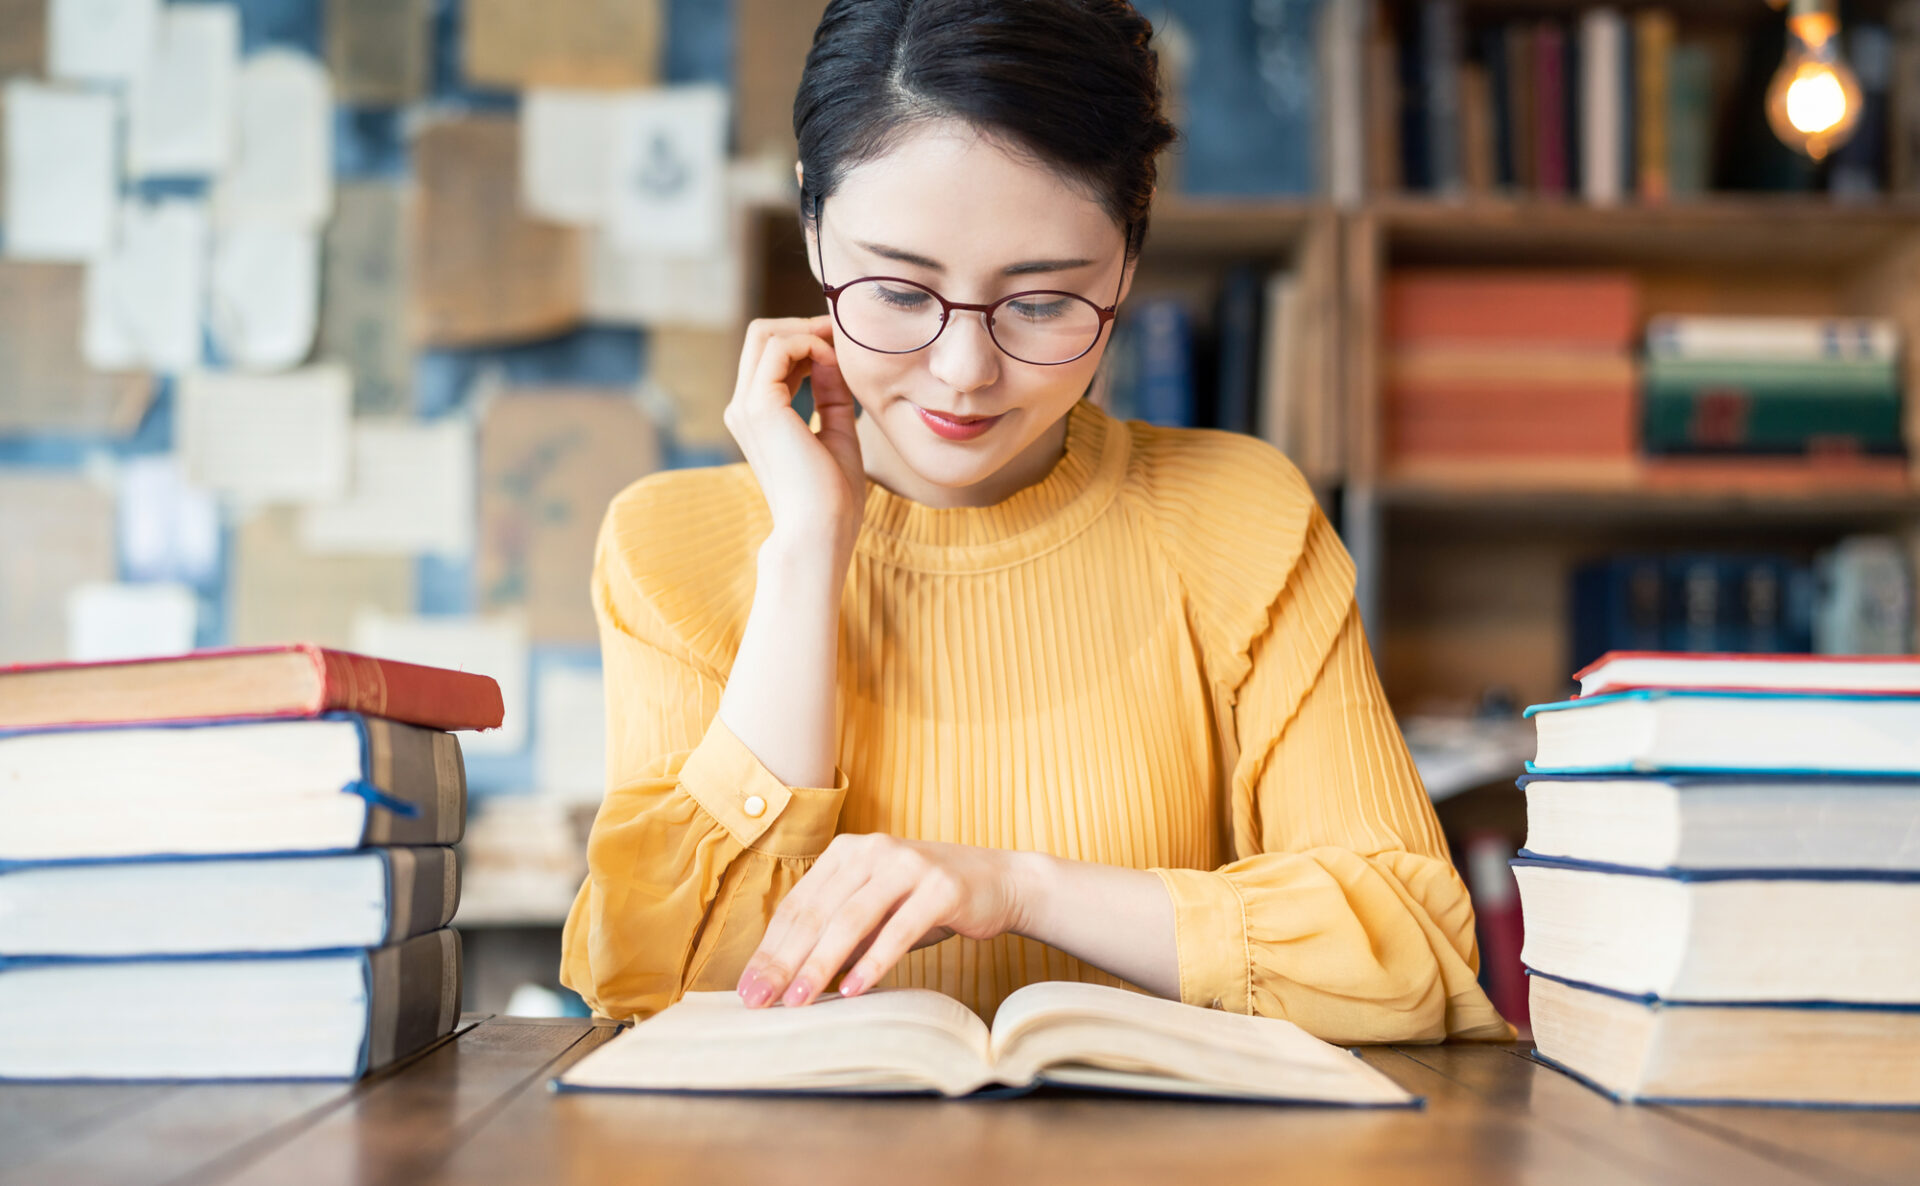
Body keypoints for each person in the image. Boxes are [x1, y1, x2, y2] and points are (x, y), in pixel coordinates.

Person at [560, 0, 1511, 1044]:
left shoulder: (1240, 519)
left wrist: (1020, 888)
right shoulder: (668, 548)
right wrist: (805, 559)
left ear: (1128, 262)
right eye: (896, 289)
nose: (965, 374)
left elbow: (1416, 953)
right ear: (812, 224)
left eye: (1045, 303)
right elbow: (658, 990)